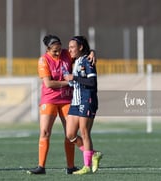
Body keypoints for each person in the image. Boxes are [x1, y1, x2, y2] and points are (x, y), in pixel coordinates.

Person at [27, 35, 95, 175]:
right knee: (45, 132)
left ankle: (71, 166)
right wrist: (70, 82)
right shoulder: (43, 60)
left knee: (70, 134)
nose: (58, 53)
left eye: (59, 50)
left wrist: (93, 52)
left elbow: (83, 53)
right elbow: (49, 84)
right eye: (54, 51)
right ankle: (41, 166)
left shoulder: (66, 54)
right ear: (48, 49)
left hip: (67, 99)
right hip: (49, 99)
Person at [64, 36, 102, 175]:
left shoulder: (87, 61)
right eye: (69, 47)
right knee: (70, 134)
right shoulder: (76, 61)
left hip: (87, 100)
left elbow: (92, 83)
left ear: (80, 47)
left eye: (72, 47)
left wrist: (74, 78)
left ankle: (86, 166)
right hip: (75, 101)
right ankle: (94, 154)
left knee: (84, 132)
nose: (70, 50)